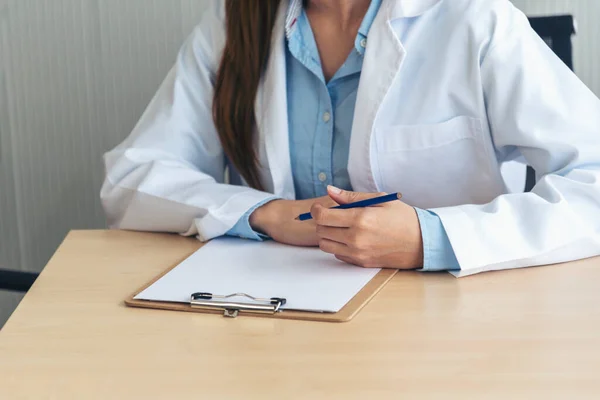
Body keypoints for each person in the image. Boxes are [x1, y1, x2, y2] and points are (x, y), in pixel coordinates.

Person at [100, 0, 600, 277]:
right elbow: (134, 175)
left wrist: (433, 238)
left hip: (451, 324)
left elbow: (593, 181)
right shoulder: (235, 23)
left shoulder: (475, 19)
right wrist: (264, 213)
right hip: (281, 321)